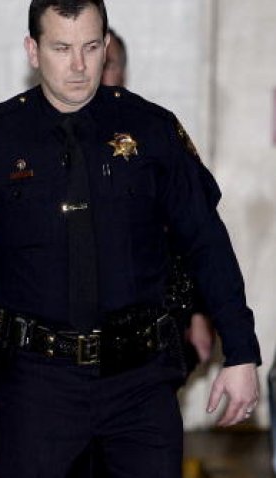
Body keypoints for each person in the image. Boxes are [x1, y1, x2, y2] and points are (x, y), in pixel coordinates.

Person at [0, 1, 261, 477]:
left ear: (106, 46)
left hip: (140, 381)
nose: (78, 65)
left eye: (91, 47)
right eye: (62, 48)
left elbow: (206, 243)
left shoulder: (152, 130)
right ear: (32, 51)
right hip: (37, 383)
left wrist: (241, 353)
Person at [102, 27, 217, 372]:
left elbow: (193, 234)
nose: (97, 70)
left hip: (153, 321)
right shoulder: (47, 139)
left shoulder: (154, 135)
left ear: (124, 71)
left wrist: (199, 314)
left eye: (110, 63)